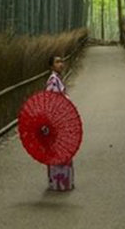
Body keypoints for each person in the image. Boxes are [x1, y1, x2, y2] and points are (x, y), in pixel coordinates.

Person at [45, 55, 74, 191]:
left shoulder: (57, 79)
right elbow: (53, 101)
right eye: (57, 62)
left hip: (61, 119)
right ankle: (59, 183)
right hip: (57, 121)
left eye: (61, 61)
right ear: (51, 66)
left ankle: (63, 182)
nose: (61, 64)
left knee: (62, 150)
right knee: (59, 150)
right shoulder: (52, 80)